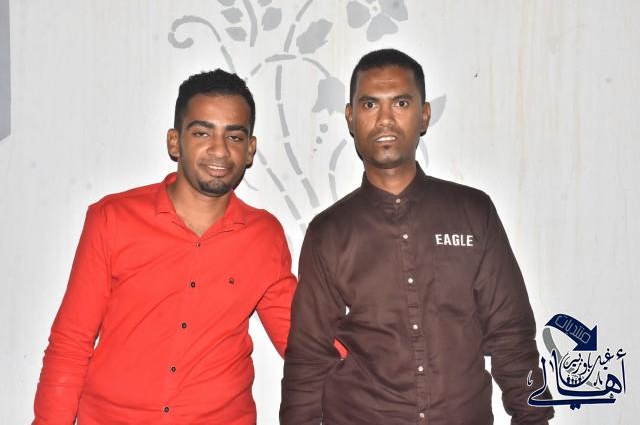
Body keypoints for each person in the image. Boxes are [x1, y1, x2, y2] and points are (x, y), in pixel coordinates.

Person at [280, 49, 553, 424]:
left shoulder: (473, 212)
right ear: (350, 117)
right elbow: (308, 358)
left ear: (424, 115)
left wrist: (533, 418)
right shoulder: (329, 232)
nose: (385, 119)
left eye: (401, 103)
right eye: (370, 104)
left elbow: (512, 335)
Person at [33, 69, 296, 424]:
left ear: (250, 149)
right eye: (202, 132)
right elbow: (71, 343)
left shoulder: (263, 235)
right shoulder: (113, 218)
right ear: (175, 142)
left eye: (234, 136)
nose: (219, 149)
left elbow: (302, 342)